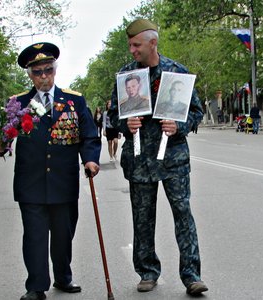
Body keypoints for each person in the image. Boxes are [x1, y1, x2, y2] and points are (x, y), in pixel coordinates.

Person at [0, 42, 101, 300]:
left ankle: (63, 277)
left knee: (63, 235)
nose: (43, 77)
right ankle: (36, 286)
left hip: (64, 181)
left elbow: (89, 136)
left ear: (54, 70)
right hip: (31, 182)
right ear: (30, 74)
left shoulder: (74, 101)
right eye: (37, 72)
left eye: (48, 70)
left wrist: (90, 160)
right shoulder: (17, 103)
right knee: (35, 237)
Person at [108, 19, 208, 296]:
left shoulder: (176, 73)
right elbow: (113, 115)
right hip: (140, 160)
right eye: (129, 45)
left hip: (173, 158)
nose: (132, 50)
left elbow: (196, 111)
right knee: (142, 218)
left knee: (183, 215)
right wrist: (124, 125)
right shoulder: (126, 76)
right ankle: (147, 272)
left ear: (153, 43)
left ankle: (192, 275)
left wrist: (180, 126)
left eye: (136, 44)